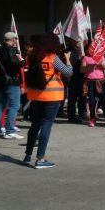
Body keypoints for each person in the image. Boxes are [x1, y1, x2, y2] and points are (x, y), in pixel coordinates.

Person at [23, 33, 73, 169]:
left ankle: (27, 155)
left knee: (35, 125)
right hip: (52, 96)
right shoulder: (53, 58)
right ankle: (41, 158)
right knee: (46, 125)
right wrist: (68, 59)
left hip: (36, 95)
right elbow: (68, 72)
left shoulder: (32, 57)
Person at [0, 32, 25, 139]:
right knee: (15, 105)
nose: (17, 41)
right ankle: (10, 130)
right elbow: (14, 64)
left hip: (2, 81)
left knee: (1, 105)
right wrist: (22, 61)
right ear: (12, 39)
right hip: (12, 80)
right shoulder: (11, 50)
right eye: (16, 39)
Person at [81, 42, 105, 127]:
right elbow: (82, 69)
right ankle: (93, 119)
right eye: (91, 48)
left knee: (103, 100)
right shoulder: (85, 58)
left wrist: (101, 64)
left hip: (100, 81)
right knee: (92, 101)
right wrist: (91, 67)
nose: (92, 49)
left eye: (94, 47)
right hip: (90, 81)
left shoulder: (101, 57)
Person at [65, 40, 86, 124]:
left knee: (82, 97)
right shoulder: (69, 51)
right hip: (73, 78)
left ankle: (82, 114)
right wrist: (80, 59)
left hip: (81, 78)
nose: (79, 42)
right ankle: (72, 116)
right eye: (78, 41)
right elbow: (70, 64)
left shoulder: (81, 51)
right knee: (72, 99)